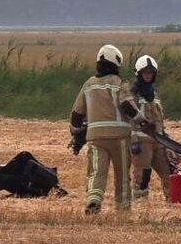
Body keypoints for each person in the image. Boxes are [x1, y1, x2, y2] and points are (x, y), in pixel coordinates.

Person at [69, 45, 143, 215]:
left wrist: (76, 132)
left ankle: (93, 200)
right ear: (116, 63)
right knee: (122, 175)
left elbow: (76, 113)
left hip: (95, 138)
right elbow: (127, 105)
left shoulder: (88, 85)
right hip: (120, 138)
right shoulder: (119, 83)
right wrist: (142, 121)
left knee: (97, 172)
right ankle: (123, 209)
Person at [129, 55, 172, 200]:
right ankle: (141, 205)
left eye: (151, 73)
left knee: (169, 172)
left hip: (159, 140)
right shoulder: (132, 93)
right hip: (141, 142)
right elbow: (128, 118)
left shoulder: (155, 93)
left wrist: (165, 136)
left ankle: (173, 203)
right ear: (139, 74)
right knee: (142, 176)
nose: (148, 75)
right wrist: (133, 140)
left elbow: (159, 117)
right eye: (145, 72)